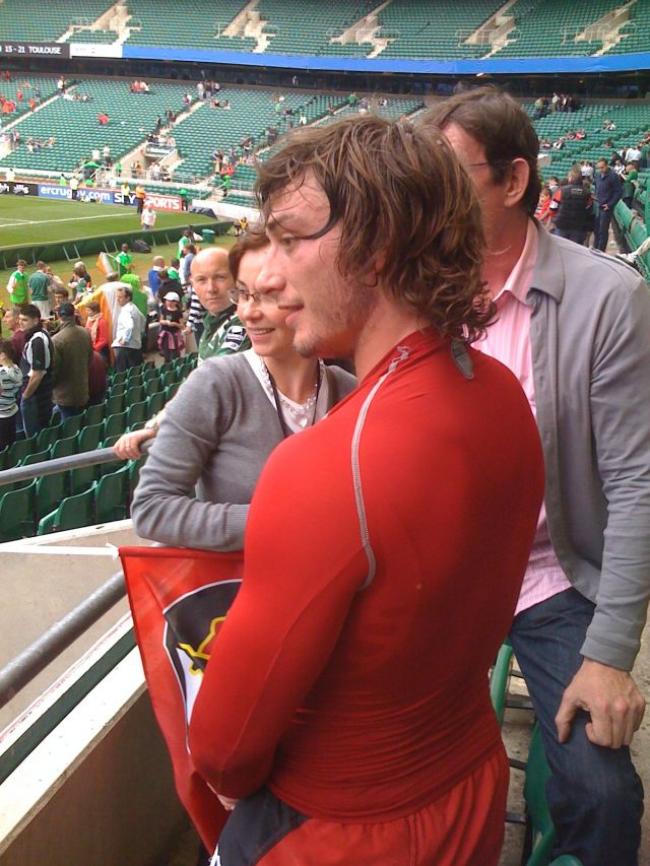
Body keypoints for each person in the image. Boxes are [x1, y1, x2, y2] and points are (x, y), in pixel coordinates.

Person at [177, 117, 545, 866]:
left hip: (339, 832)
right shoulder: (503, 392)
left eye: (291, 240)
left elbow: (223, 748)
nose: (273, 277)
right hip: (469, 789)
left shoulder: (325, 464)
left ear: (376, 248)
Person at [422, 86, 649, 866]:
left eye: (447, 177)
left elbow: (637, 485)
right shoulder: (413, 290)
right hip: (437, 576)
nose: (428, 200)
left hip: (553, 578)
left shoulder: (610, 298)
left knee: (604, 794)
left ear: (514, 180)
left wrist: (609, 656)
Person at [129, 228, 357, 544]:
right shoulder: (215, 384)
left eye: (269, 295)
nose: (248, 313)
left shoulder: (351, 393)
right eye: (244, 294)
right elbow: (151, 509)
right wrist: (277, 523)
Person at [191, 248, 250, 362]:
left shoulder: (242, 322)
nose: (211, 289)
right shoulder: (212, 319)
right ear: (193, 284)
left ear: (237, 279)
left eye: (220, 277)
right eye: (201, 280)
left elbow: (217, 370)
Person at [18, 304, 54, 437]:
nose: (20, 322)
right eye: (20, 319)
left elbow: (38, 374)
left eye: (25, 320)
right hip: (39, 395)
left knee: (35, 437)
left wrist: (26, 395)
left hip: (36, 397)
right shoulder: (39, 335)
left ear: (35, 321)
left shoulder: (37, 340)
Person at [51, 302, 92, 419]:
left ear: (59, 316)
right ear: (74, 315)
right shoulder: (85, 332)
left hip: (64, 394)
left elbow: (55, 370)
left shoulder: (56, 340)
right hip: (82, 389)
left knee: (69, 425)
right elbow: (90, 359)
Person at [550, 166, 593, 245]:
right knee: (575, 250)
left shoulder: (561, 191)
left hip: (561, 225)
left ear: (570, 178)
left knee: (560, 248)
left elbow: (552, 208)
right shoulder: (587, 193)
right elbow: (589, 208)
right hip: (579, 226)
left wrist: (555, 219)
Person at [112, 285, 146, 371]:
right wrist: (139, 333)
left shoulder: (126, 311)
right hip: (136, 346)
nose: (118, 299)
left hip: (126, 348)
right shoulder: (134, 308)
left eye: (120, 297)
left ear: (127, 298)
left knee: (123, 374)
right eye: (117, 297)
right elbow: (143, 320)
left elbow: (129, 325)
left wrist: (125, 339)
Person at [593, 157, 622, 252]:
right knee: (596, 229)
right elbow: (597, 187)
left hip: (606, 207)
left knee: (603, 230)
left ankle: (600, 251)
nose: (601, 169)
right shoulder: (598, 175)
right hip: (598, 204)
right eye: (599, 168)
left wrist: (610, 204)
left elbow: (618, 192)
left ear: (606, 165)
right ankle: (595, 248)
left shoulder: (613, 176)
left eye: (602, 167)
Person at [0, 340, 22, 450]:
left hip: (2, 415)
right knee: (10, 442)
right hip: (11, 411)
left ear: (3, 355)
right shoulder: (16, 369)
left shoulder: (1, 374)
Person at [157, 291, 184, 363]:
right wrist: (165, 322)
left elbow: (182, 326)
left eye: (171, 301)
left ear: (175, 302)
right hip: (165, 334)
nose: (168, 302)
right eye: (167, 300)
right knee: (166, 352)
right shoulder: (164, 309)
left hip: (174, 335)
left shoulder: (178, 312)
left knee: (175, 353)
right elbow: (160, 320)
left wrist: (175, 324)